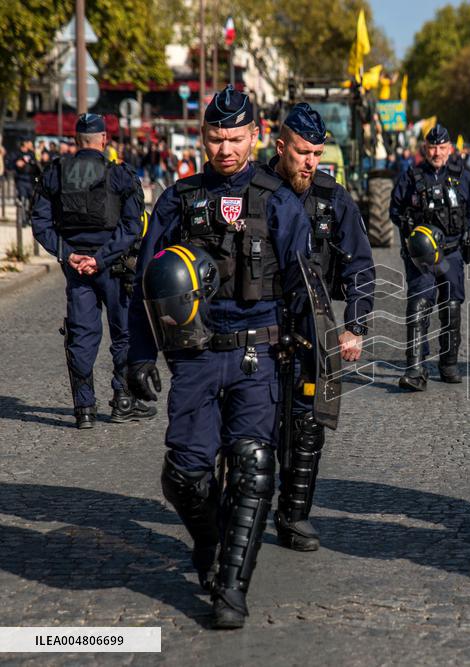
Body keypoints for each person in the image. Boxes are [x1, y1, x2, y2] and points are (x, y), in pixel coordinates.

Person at [125, 86, 313, 629]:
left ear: (255, 135)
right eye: (215, 138)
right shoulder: (177, 200)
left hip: (260, 353)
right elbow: (146, 281)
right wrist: (139, 355)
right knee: (184, 474)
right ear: (202, 136)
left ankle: (231, 588)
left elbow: (304, 291)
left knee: (254, 468)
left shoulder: (279, 200)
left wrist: (310, 375)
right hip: (196, 354)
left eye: (234, 138)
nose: (224, 149)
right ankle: (209, 542)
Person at [265, 102, 375, 551]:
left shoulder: (333, 198)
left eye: (317, 154)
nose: (310, 162)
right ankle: (243, 509)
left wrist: (356, 325)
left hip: (314, 328)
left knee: (308, 427)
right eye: (302, 152)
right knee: (254, 428)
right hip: (261, 325)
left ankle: (293, 516)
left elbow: (360, 264)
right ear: (280, 146)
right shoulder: (254, 190)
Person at [30, 113, 154, 429]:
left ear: (75, 141)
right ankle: (123, 401)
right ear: (103, 141)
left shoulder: (55, 173)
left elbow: (40, 223)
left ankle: (83, 409)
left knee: (81, 335)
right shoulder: (120, 175)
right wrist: (101, 258)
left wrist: (68, 254)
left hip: (76, 269)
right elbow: (132, 226)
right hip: (113, 266)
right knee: (123, 332)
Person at [390, 123, 470, 391]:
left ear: (450, 149)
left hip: (452, 253)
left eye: (442, 147)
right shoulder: (411, 176)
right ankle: (415, 369)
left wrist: (465, 228)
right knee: (419, 304)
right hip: (422, 257)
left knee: (451, 306)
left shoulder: (463, 177)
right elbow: (394, 209)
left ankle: (449, 363)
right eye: (432, 147)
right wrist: (410, 229)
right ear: (424, 149)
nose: (437, 152)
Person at [13, 139, 40, 226]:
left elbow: (37, 168)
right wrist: (16, 164)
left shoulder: (32, 154)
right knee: (23, 200)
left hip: (31, 180)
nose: (30, 144)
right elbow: (9, 164)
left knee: (31, 201)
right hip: (21, 180)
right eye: (29, 142)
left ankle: (29, 218)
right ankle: (23, 219)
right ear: (24, 143)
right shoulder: (17, 153)